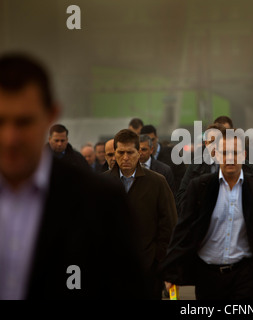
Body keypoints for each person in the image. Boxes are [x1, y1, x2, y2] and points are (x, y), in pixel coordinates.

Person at [0, 52, 145, 299]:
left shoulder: (99, 201)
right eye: (1, 121)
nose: (10, 138)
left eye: (24, 122)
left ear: (51, 116)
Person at [160, 129, 253, 300]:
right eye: (225, 153)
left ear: (244, 155)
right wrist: (171, 270)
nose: (230, 158)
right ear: (215, 155)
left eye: (235, 152)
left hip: (244, 274)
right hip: (208, 275)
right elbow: (184, 229)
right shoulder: (200, 187)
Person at [104, 129, 177, 299]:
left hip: (148, 270)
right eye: (120, 152)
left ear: (139, 153)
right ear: (114, 153)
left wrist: (158, 262)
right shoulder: (103, 183)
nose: (125, 157)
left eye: (130, 152)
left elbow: (169, 225)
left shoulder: (157, 182)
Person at [141, 124, 186, 193]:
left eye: (152, 140)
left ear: (157, 137)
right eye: (147, 140)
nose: (151, 143)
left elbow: (182, 178)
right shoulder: (138, 159)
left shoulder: (172, 154)